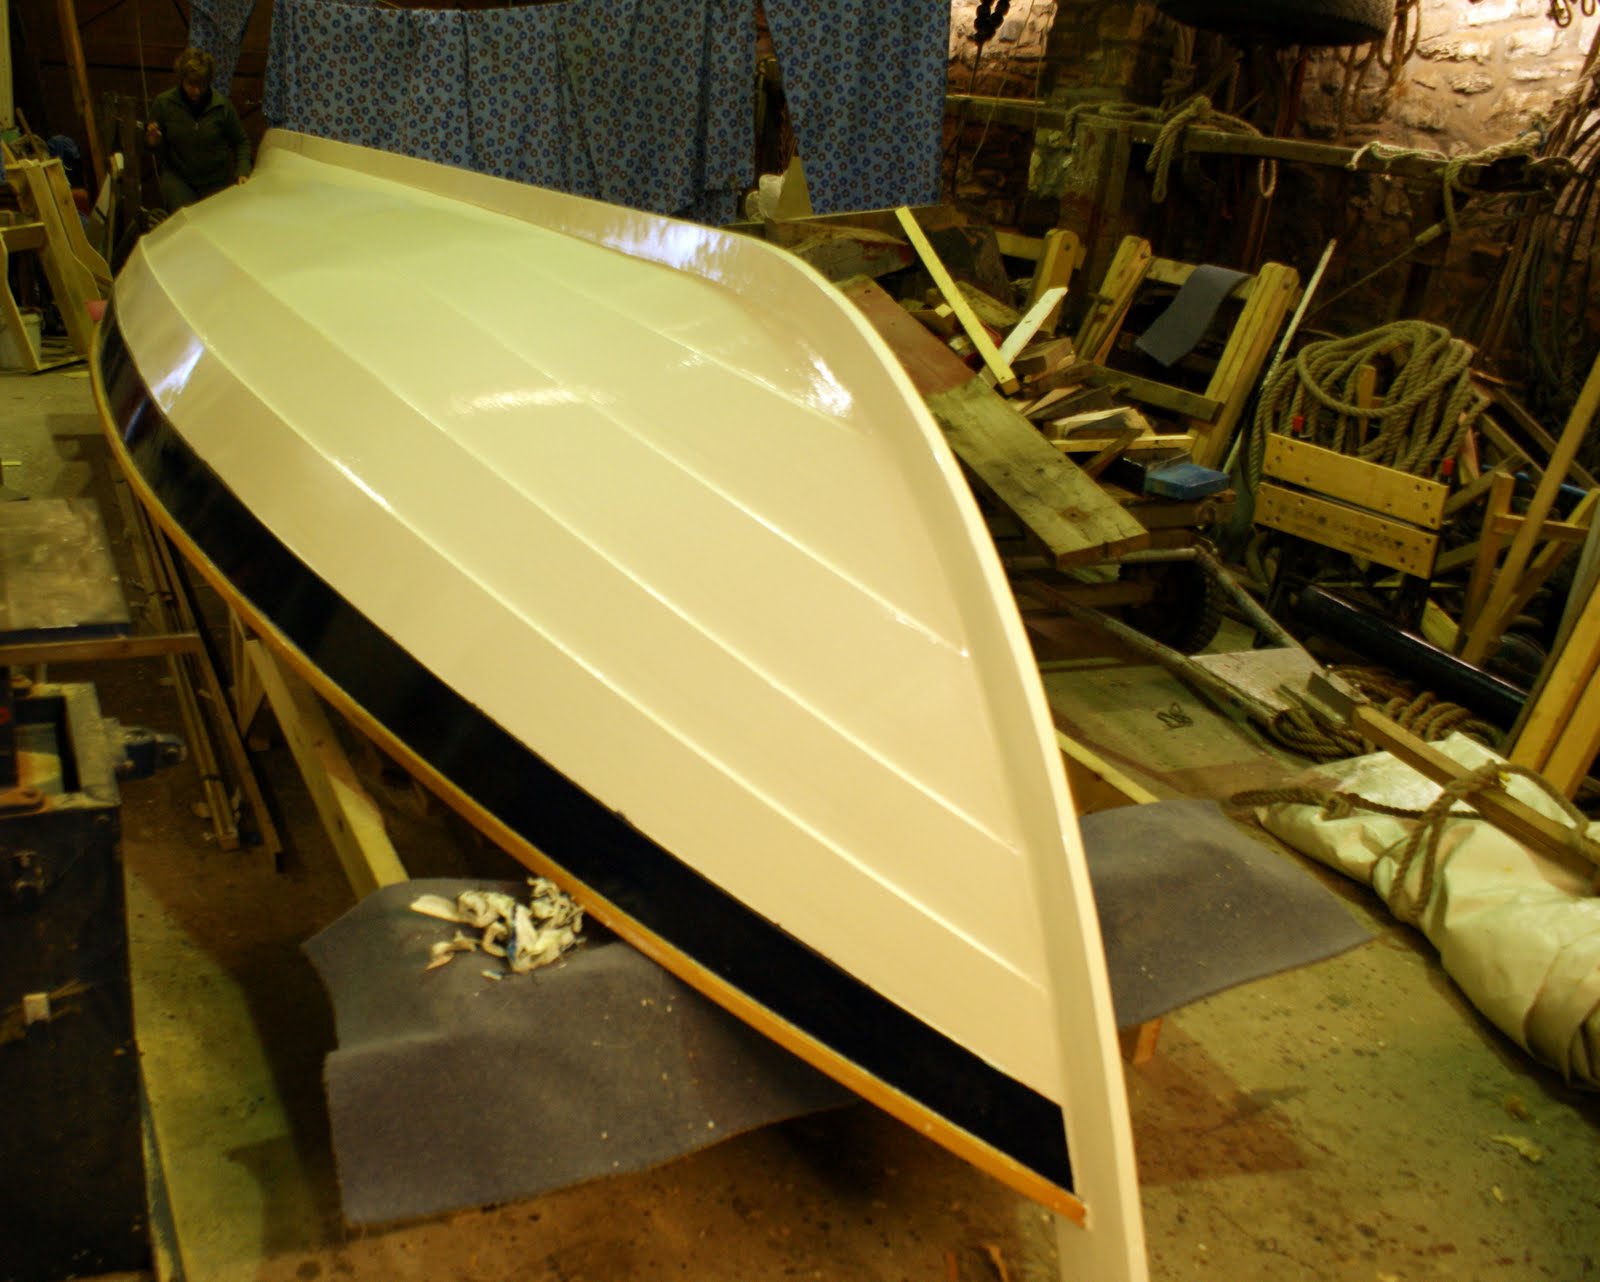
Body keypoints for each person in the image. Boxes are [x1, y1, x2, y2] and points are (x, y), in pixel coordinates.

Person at [145, 48, 252, 211]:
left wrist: (242, 171)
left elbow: (241, 142)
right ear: (182, 80)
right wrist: (151, 141)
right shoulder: (164, 104)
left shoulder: (222, 106)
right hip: (179, 179)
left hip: (215, 181)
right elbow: (149, 145)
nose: (196, 91)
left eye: (201, 85)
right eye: (191, 85)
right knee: (184, 221)